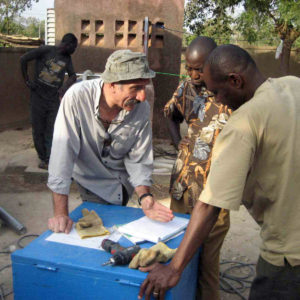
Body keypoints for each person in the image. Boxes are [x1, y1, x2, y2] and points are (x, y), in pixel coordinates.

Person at [138, 44, 300, 300]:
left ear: (235, 80)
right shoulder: (292, 85)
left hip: (288, 257)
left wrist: (173, 269)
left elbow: (210, 207)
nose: (217, 99)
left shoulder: (243, 122)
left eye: (217, 92)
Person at [47, 49, 174, 234]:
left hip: (122, 184)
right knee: (93, 237)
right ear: (112, 85)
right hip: (91, 180)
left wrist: (145, 197)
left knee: (115, 232)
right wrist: (60, 214)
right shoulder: (76, 98)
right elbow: (62, 155)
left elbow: (138, 158)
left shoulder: (141, 108)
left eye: (144, 87)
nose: (143, 96)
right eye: (136, 88)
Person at [164, 36, 230, 300]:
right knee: (177, 252)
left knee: (207, 264)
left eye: (199, 69)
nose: (193, 74)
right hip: (183, 187)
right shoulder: (186, 88)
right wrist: (179, 143)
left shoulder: (231, 94)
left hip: (215, 193)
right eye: (189, 68)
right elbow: (170, 114)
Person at [20, 33, 78, 170]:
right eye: (74, 47)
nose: (74, 50)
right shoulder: (46, 50)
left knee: (51, 129)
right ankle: (43, 157)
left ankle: (49, 158)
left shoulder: (67, 59)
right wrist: (27, 81)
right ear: (67, 44)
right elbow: (23, 59)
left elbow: (73, 76)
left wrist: (63, 88)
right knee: (38, 128)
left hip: (53, 99)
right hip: (38, 97)